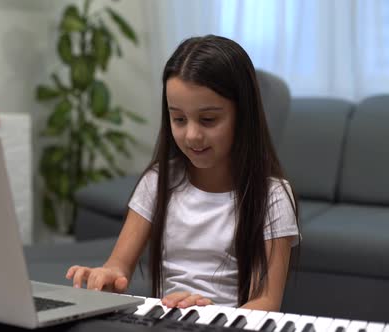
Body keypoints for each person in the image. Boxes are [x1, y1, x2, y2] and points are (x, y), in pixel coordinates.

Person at [65, 35, 300, 311]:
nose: (192, 135)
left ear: (243, 114)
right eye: (178, 119)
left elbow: (266, 302)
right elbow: (118, 266)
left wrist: (210, 312)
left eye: (208, 120)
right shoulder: (158, 181)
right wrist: (106, 277)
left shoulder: (272, 196)